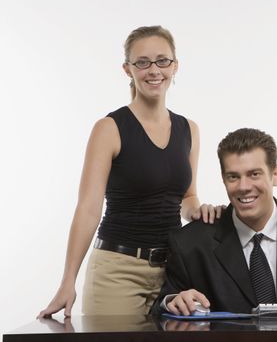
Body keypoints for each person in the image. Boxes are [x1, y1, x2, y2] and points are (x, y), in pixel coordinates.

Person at [38, 25, 222, 318]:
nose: (154, 70)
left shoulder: (190, 130)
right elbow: (88, 209)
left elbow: (187, 197)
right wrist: (68, 280)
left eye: (162, 60)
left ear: (175, 65)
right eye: (142, 62)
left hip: (173, 273)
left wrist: (199, 211)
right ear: (127, 69)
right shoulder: (109, 129)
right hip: (117, 272)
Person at [151, 128, 277, 316]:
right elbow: (161, 307)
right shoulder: (190, 243)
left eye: (254, 174)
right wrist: (173, 300)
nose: (243, 187)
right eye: (233, 177)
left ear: (275, 175)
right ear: (223, 179)